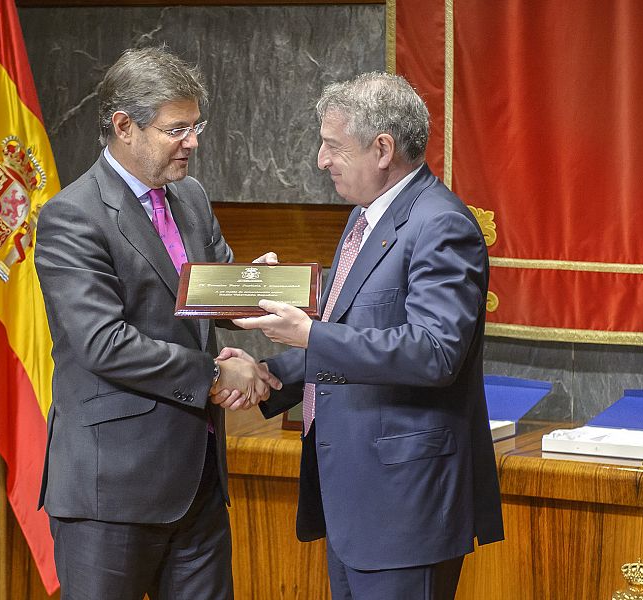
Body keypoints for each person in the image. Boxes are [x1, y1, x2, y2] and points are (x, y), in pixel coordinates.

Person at [223, 72, 504, 600]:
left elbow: (435, 351)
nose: (320, 160)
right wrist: (268, 376)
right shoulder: (366, 217)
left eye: (332, 146)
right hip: (357, 502)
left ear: (382, 149)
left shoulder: (441, 223)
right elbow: (356, 326)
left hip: (405, 509)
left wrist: (309, 335)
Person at [34, 47, 275, 599]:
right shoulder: (73, 215)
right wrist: (213, 376)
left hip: (198, 483)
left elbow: (209, 294)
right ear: (124, 127)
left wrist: (254, 291)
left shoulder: (188, 197)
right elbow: (104, 344)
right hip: (111, 490)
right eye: (176, 129)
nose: (193, 142)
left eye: (196, 126)